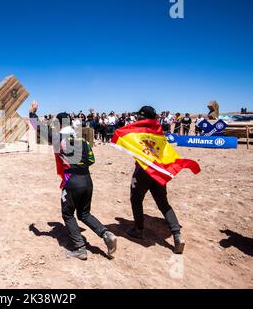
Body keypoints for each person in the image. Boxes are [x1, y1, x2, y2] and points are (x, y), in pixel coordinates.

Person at [53, 112, 117, 260]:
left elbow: (39, 129)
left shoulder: (59, 139)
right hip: (87, 180)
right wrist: (80, 165)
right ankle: (106, 234)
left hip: (71, 181)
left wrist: (32, 113)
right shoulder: (82, 140)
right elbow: (91, 159)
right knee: (84, 214)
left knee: (68, 213)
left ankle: (80, 248)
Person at [126, 106, 186, 254]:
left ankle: (139, 230)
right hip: (158, 171)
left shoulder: (137, 130)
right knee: (163, 203)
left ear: (142, 116)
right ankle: (177, 234)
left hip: (143, 171)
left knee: (136, 199)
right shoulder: (159, 131)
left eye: (139, 116)